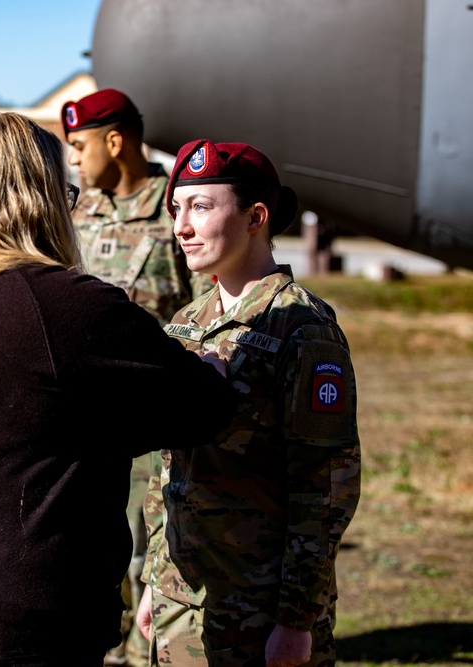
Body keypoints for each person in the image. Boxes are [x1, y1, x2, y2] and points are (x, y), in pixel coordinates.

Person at [0, 112, 238, 667]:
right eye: (67, 190)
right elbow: (203, 408)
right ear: (43, 198)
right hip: (19, 627)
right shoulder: (67, 306)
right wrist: (211, 365)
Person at [137, 140, 362, 667]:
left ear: (256, 217)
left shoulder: (302, 330)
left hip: (258, 608)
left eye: (201, 207)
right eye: (176, 209)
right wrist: (155, 577)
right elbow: (165, 470)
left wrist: (296, 619)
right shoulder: (186, 324)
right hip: (183, 600)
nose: (181, 227)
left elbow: (324, 487)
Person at [62, 87, 214, 666]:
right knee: (87, 560)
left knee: (150, 560)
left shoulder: (178, 208)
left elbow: (207, 310)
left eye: (79, 146)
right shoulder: (78, 212)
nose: (74, 160)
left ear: (115, 140)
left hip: (152, 427)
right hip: (85, 426)